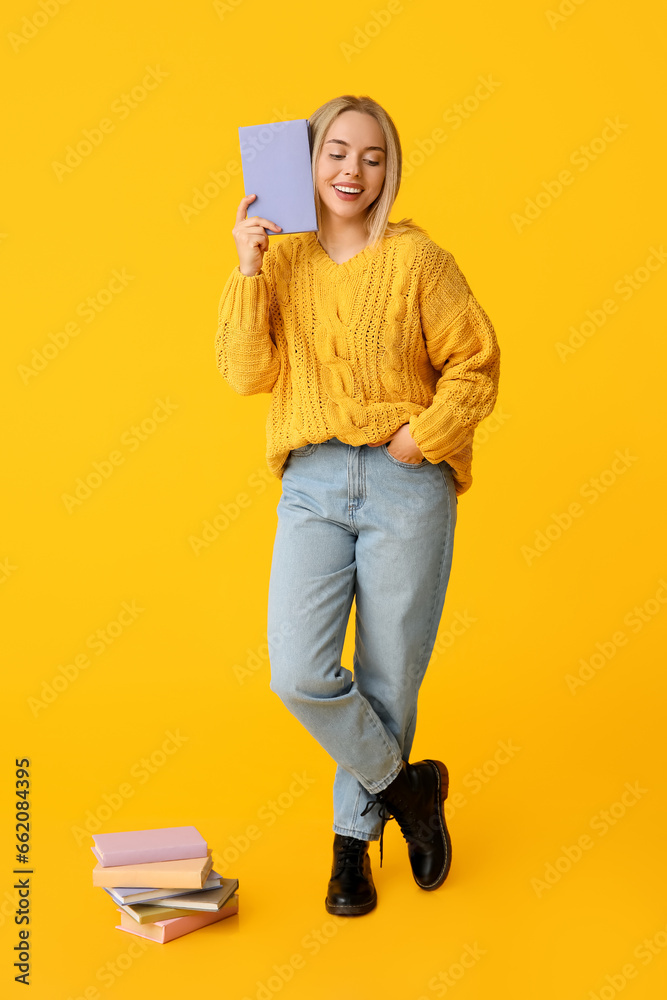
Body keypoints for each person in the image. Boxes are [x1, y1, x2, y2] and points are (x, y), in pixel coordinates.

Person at [215, 94, 500, 916]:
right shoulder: (282, 258)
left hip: (403, 482)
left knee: (387, 675)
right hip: (311, 482)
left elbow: (474, 364)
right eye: (336, 151)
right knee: (299, 671)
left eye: (371, 156)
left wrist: (424, 436)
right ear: (307, 162)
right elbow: (243, 374)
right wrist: (245, 266)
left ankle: (351, 847)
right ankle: (409, 791)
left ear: (389, 169)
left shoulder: (418, 260)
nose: (352, 170)